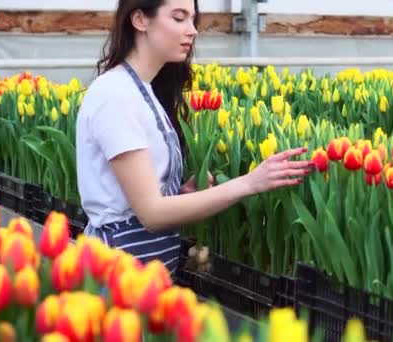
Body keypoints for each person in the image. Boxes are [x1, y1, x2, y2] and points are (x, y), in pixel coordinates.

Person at [75, 0, 312, 274]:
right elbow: (151, 213)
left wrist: (178, 194)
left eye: (192, 19)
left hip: (146, 271)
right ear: (140, 20)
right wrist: (249, 183)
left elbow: (135, 197)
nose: (192, 30)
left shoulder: (143, 89)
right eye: (179, 18)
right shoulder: (115, 96)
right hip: (117, 273)